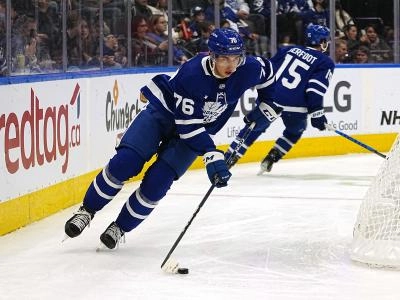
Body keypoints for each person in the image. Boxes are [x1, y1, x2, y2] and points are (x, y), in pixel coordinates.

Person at [63, 27, 280, 249]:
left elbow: (270, 74)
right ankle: (87, 210)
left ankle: (120, 227)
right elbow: (188, 126)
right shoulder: (193, 74)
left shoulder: (250, 67)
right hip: (163, 115)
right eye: (224, 58)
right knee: (125, 162)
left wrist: (269, 103)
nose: (232, 66)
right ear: (212, 56)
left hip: (195, 130)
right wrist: (210, 153)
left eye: (236, 58)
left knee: (158, 183)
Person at [226, 24, 335, 174]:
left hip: (271, 99)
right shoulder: (325, 61)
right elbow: (314, 90)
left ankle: (228, 159)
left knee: (253, 128)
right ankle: (272, 157)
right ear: (322, 42)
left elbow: (268, 70)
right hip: (296, 107)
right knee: (294, 131)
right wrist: (317, 115)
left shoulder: (287, 50)